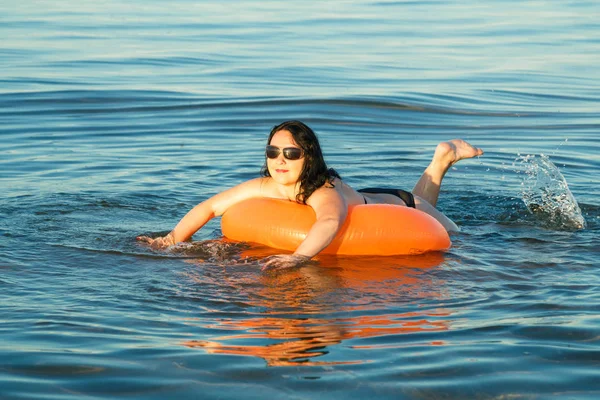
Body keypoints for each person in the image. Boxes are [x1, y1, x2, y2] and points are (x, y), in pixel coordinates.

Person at [137, 120, 483, 270]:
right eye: (273, 152)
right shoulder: (265, 186)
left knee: (458, 239)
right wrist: (171, 240)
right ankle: (440, 160)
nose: (280, 161)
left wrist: (299, 258)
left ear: (309, 157)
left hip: (400, 206)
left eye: (291, 154)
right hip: (366, 195)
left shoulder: (323, 189)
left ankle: (441, 160)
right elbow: (211, 207)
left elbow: (331, 220)